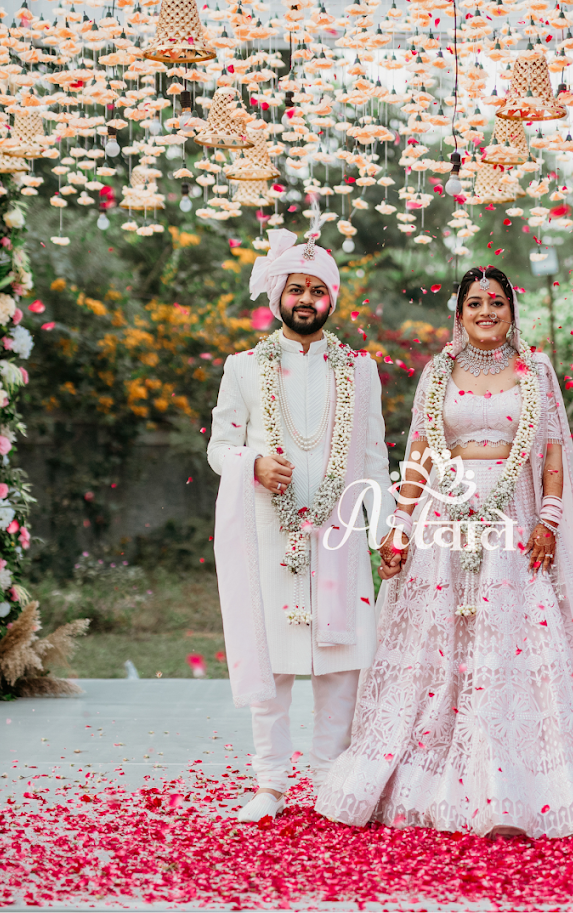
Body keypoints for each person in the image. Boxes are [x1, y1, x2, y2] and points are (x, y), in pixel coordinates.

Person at [315, 266, 573, 838]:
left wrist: (550, 520)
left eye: (498, 303)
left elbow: (553, 450)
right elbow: (419, 454)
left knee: (513, 645)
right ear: (458, 313)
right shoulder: (438, 372)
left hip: (515, 522)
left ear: (513, 311)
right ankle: (430, 777)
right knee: (440, 646)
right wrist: (401, 524)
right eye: (475, 302)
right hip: (446, 520)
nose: (487, 312)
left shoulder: (535, 371)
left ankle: (517, 783)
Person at [207, 226, 392, 824]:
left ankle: (331, 780)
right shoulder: (242, 367)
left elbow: (372, 457)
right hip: (269, 529)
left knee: (341, 661)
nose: (306, 299)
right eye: (296, 289)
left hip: (340, 531)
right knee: (275, 660)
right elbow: (219, 446)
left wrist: (387, 528)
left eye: (318, 289)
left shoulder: (361, 371)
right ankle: (270, 784)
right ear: (277, 299)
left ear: (332, 300)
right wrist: (253, 464)